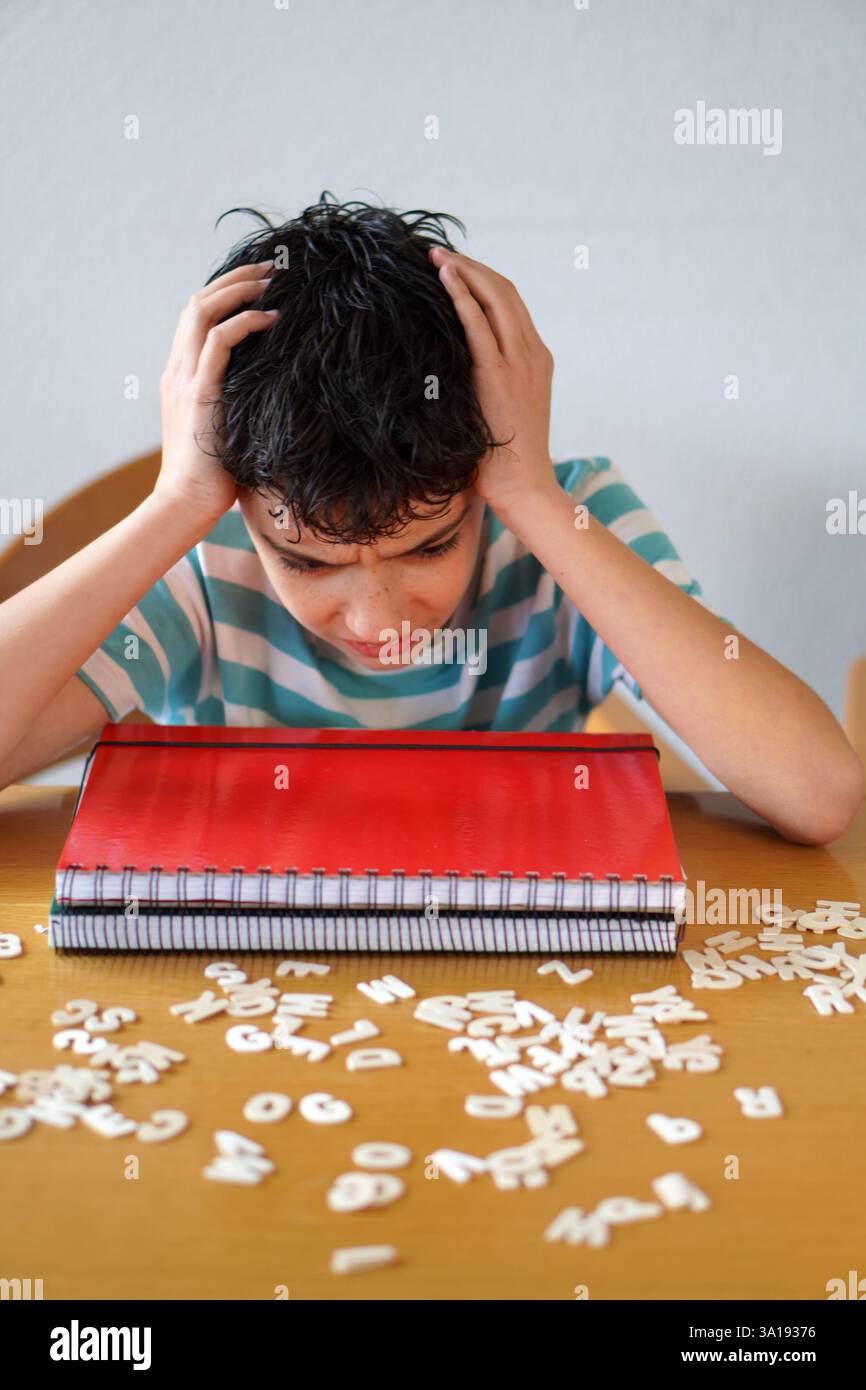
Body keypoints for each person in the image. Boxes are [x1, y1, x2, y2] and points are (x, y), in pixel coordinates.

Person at [0, 192, 861, 844]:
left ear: (485, 476)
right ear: (242, 508)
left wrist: (533, 497)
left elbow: (818, 794)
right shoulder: (202, 559)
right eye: (308, 563)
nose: (379, 622)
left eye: (431, 545)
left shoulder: (563, 526)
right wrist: (173, 506)